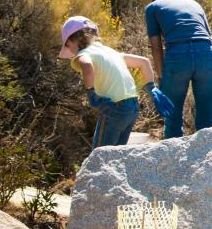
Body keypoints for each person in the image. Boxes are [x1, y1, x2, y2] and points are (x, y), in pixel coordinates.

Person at [59, 16, 173, 150]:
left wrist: (91, 93)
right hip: (133, 107)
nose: (70, 50)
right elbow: (144, 62)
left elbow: (87, 65)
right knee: (116, 154)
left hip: (114, 107)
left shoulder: (84, 54)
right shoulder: (111, 52)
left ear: (72, 40)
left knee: (100, 155)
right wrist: (151, 88)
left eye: (67, 45)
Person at [144, 0, 212, 139]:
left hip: (178, 53)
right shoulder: (193, 3)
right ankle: (205, 154)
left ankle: (173, 158)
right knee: (206, 114)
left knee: (172, 115)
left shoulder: (152, 8)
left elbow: (156, 47)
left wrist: (161, 76)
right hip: (206, 53)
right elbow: (208, 36)